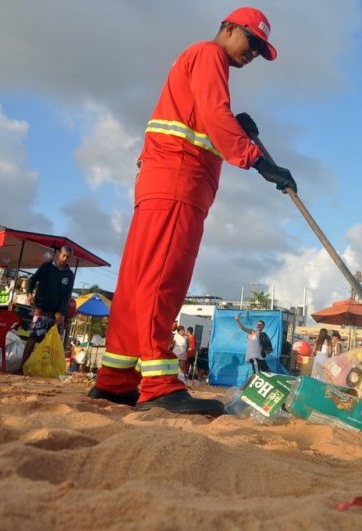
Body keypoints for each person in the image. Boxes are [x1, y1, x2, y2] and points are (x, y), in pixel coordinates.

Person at [88, 7, 295, 414]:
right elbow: (215, 117)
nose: (254, 52)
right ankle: (159, 385)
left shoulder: (197, 60)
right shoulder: (209, 54)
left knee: (136, 282)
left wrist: (237, 127)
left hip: (162, 182)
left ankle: (115, 381)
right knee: (163, 278)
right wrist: (258, 160)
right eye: (252, 41)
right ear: (229, 28)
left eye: (260, 49)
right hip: (178, 182)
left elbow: (206, 119)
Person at [21, 245, 75, 369]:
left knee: (51, 342)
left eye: (68, 257)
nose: (65, 258)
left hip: (56, 313)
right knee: (33, 337)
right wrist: (29, 294)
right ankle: (22, 367)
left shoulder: (69, 275)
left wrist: (62, 313)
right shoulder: (46, 267)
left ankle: (45, 369)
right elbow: (32, 280)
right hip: (41, 308)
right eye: (64, 255)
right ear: (59, 254)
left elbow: (67, 296)